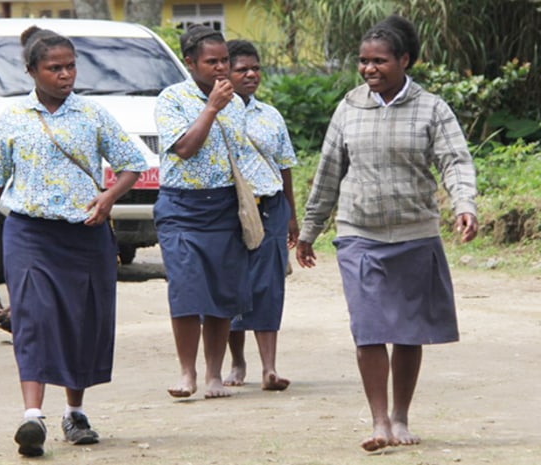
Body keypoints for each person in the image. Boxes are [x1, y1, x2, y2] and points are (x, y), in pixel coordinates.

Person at [296, 15, 479, 452]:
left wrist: (464, 205)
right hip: (360, 233)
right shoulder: (348, 108)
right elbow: (328, 173)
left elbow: (455, 161)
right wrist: (309, 229)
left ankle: (400, 416)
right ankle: (378, 422)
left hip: (416, 233)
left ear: (404, 60)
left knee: (409, 331)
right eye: (362, 61)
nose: (368, 69)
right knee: (369, 327)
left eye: (379, 60)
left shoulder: (432, 108)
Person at [0, 26, 147, 457]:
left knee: (81, 321)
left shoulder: (93, 115)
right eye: (54, 68)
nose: (65, 75)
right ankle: (32, 417)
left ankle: (75, 411)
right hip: (29, 234)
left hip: (85, 236)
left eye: (70, 66)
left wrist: (109, 196)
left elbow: (132, 164)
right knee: (33, 317)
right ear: (31, 71)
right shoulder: (12, 119)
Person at [154, 24, 252, 399]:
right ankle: (186, 373)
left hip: (224, 207)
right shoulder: (171, 100)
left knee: (220, 292)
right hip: (181, 207)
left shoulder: (237, 104)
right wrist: (212, 107)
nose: (221, 68)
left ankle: (213, 375)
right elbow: (185, 148)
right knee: (186, 289)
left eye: (225, 60)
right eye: (212, 62)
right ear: (190, 62)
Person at [222, 39, 298, 391]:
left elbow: (285, 166)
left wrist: (292, 215)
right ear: (226, 72)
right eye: (242, 69)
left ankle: (270, 368)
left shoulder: (271, 115)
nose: (251, 74)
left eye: (255, 68)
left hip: (271, 208)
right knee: (234, 286)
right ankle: (237, 363)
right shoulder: (216, 111)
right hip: (230, 210)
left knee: (269, 287)